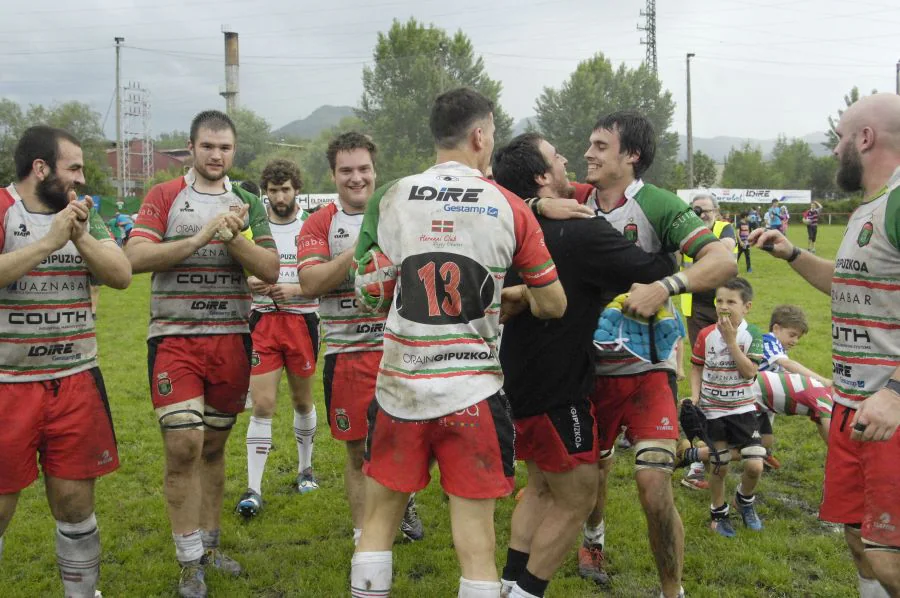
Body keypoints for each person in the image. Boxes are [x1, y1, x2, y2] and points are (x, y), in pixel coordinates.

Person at [350, 88, 567, 598]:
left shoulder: (392, 196)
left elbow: (367, 293)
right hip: (472, 390)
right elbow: (554, 303)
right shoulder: (511, 207)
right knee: (476, 543)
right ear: (479, 135)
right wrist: (510, 294)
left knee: (378, 521)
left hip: (400, 388)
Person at [492, 133, 677, 598]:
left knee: (539, 488)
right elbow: (652, 270)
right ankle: (525, 592)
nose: (569, 158)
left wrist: (533, 204)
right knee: (578, 494)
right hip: (558, 386)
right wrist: (672, 254)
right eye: (557, 156)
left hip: (512, 379)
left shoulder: (509, 223)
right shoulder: (579, 229)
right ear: (541, 176)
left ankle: (508, 582)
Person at [576, 111, 737, 598]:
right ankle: (593, 539)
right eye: (589, 144)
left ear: (631, 156)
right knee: (592, 476)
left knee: (651, 485)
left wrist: (665, 285)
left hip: (648, 371)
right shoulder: (575, 198)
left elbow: (723, 259)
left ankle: (673, 590)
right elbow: (521, 194)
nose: (589, 153)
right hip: (587, 369)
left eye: (601, 146)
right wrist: (544, 201)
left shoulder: (657, 204)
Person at [749, 92, 900, 598]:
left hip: (890, 411)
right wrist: (792, 253)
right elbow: (849, 282)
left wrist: (896, 392)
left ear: (865, 138)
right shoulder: (869, 207)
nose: (835, 151)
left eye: (839, 139)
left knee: (888, 554)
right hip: (852, 406)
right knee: (860, 541)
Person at [126, 110, 280, 598]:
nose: (216, 155)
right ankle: (188, 559)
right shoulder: (164, 196)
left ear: (234, 152)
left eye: (225, 147)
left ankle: (210, 547)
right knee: (184, 445)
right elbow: (133, 257)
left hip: (230, 338)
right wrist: (198, 237)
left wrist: (233, 239)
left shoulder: (248, 203)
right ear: (191, 148)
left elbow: (271, 269)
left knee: (213, 447)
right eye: (208, 146)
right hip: (175, 338)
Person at [0, 126, 132, 597]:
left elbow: (121, 276)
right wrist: (45, 243)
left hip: (75, 380)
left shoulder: (83, 215)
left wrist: (78, 237)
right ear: (41, 168)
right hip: (8, 383)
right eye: (73, 167)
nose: (80, 177)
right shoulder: (3, 209)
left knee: (76, 505)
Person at [297, 132, 423, 545]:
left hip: (401, 351)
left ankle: (405, 505)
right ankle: (362, 536)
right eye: (346, 170)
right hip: (348, 354)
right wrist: (359, 249)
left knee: (403, 442)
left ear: (375, 170)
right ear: (333, 175)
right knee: (357, 451)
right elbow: (311, 281)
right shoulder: (320, 222)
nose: (357, 178)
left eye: (364, 169)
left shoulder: (402, 214)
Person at [235, 159, 320, 518]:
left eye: (285, 189)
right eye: (273, 190)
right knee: (262, 404)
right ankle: (253, 488)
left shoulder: (311, 227)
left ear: (296, 189)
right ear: (265, 192)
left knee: (302, 402)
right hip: (264, 322)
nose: (279, 196)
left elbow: (322, 278)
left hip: (302, 321)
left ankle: (305, 470)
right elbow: (240, 267)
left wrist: (295, 289)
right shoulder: (257, 227)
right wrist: (250, 280)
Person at [689, 277, 765, 537]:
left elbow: (748, 373)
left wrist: (731, 341)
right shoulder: (705, 334)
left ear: (747, 307)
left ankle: (744, 501)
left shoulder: (752, 334)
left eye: (731, 301)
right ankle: (718, 513)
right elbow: (697, 366)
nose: (724, 306)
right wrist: (695, 396)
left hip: (742, 410)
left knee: (755, 465)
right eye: (719, 300)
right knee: (720, 464)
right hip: (713, 411)